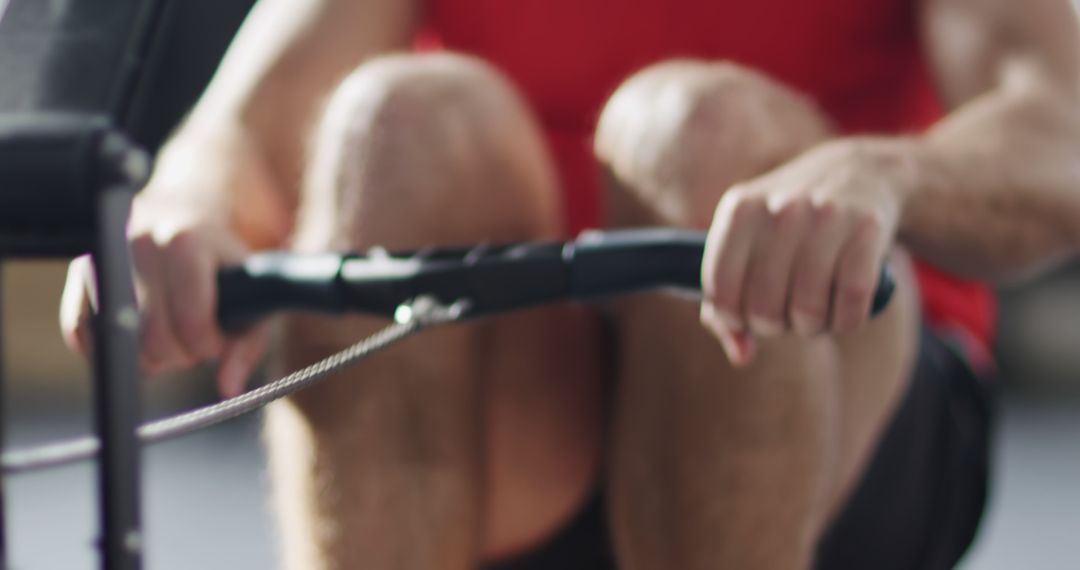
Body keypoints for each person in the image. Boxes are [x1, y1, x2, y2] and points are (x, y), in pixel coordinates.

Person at [58, 0, 1080, 568]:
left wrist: (881, 173)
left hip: (835, 398)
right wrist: (172, 217)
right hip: (519, 395)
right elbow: (235, 134)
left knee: (696, 131)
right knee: (398, 121)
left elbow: (1060, 132)